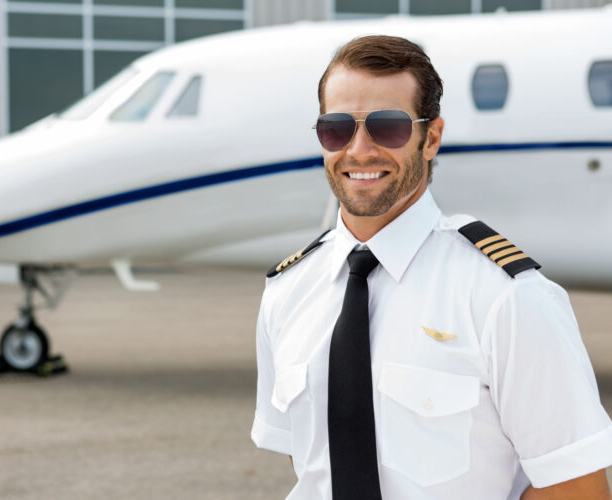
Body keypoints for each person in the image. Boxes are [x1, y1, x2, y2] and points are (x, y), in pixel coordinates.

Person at [250, 35, 612, 500]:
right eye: (337, 128)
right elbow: (309, 462)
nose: (359, 150)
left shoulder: (506, 297)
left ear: (431, 138)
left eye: (389, 127)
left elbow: (578, 488)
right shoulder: (288, 291)